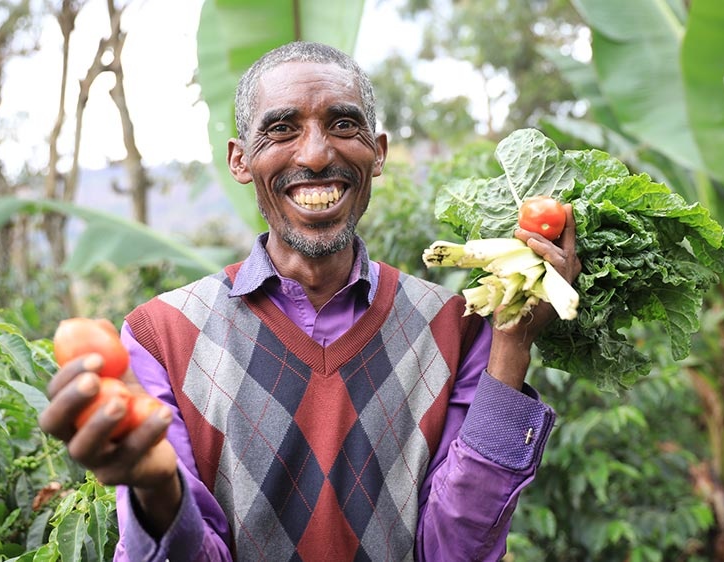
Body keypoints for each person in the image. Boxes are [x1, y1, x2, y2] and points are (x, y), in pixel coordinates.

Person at [38, 40, 580, 561]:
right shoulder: (163, 335)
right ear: (241, 159)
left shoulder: (454, 326)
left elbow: (454, 551)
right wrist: (157, 489)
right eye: (281, 129)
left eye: (344, 125)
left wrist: (511, 347)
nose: (317, 154)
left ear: (378, 152)